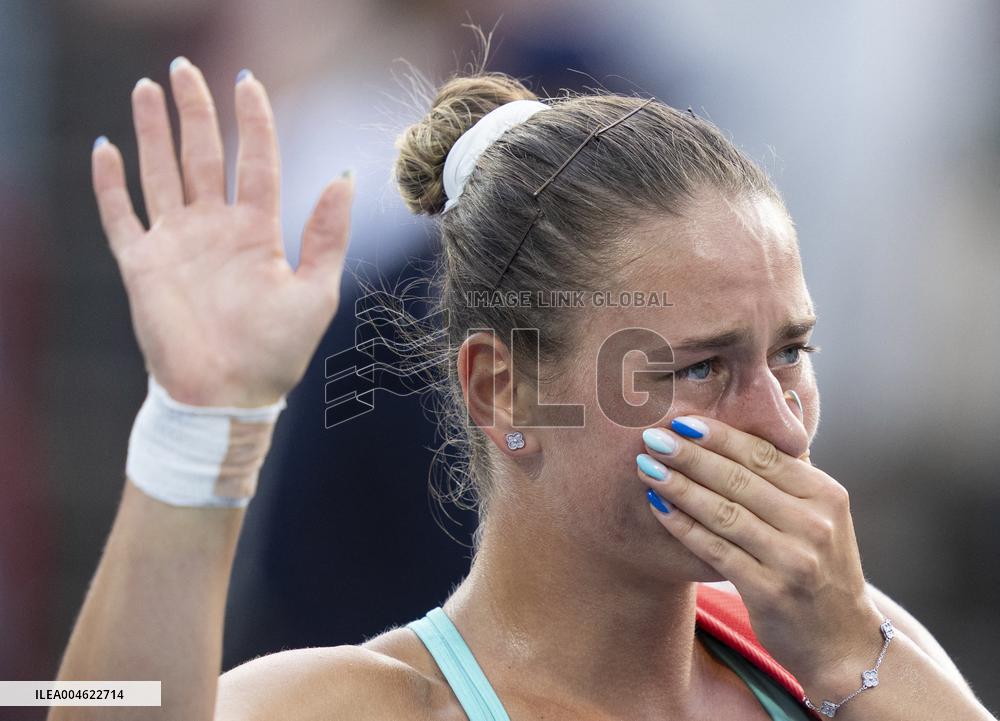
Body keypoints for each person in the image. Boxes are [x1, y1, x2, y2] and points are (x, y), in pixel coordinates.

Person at [52, 46, 996, 721]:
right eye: (700, 366)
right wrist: (197, 425)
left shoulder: (836, 652)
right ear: (503, 391)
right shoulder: (374, 701)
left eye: (790, 352)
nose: (781, 428)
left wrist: (847, 658)